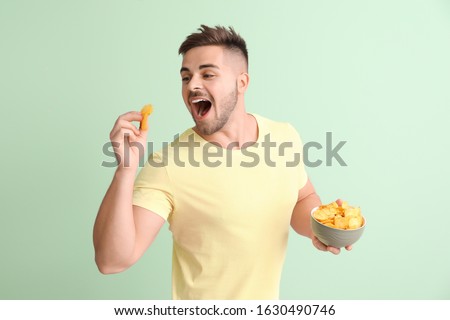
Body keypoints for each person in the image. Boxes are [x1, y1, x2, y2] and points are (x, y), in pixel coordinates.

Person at [93, 25, 351, 300]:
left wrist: (320, 228)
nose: (192, 85)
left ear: (242, 82)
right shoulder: (168, 164)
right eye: (186, 77)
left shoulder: (284, 135)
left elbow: (302, 198)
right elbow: (112, 261)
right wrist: (126, 170)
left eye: (208, 74)